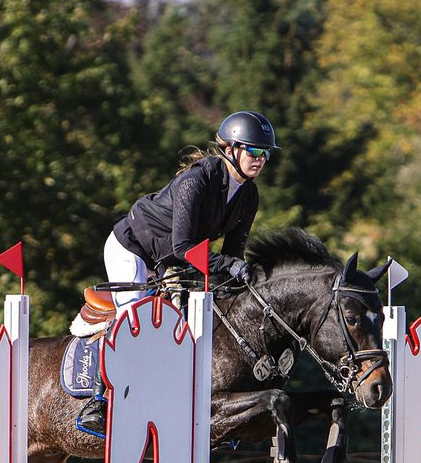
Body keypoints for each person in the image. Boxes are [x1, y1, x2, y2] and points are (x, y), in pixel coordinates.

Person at [76, 110, 279, 435]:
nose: (260, 160)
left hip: (173, 259)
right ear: (231, 149)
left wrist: (241, 277)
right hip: (133, 247)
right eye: (254, 151)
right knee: (136, 318)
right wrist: (230, 266)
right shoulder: (198, 179)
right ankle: (98, 401)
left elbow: (232, 253)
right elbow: (185, 246)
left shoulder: (248, 196)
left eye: (265, 153)